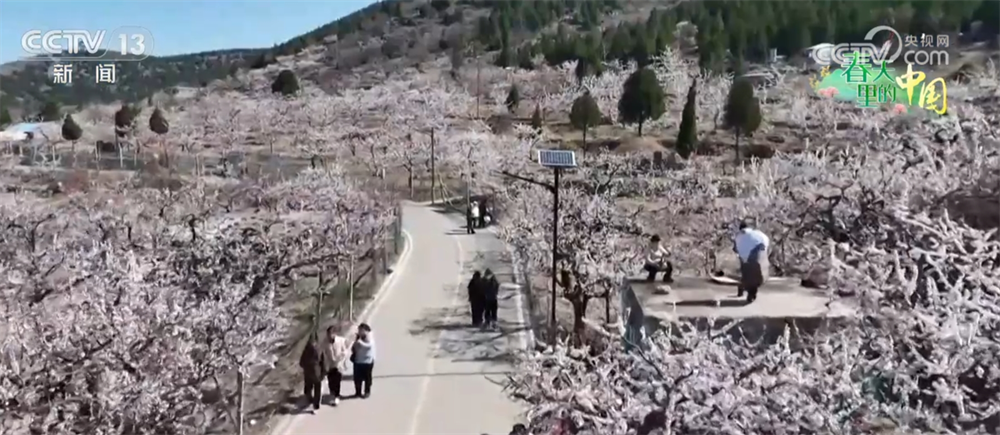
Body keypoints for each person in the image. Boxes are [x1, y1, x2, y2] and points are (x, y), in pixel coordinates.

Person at [733, 220, 770, 303]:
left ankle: (743, 288)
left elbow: (735, 249)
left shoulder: (738, 236)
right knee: (755, 276)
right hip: (757, 255)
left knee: (746, 274)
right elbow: (765, 242)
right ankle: (748, 291)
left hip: (745, 258)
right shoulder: (757, 234)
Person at [319, 323, 349, 406]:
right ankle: (332, 393)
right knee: (331, 381)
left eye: (331, 334)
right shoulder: (324, 342)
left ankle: (336, 396)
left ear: (335, 334)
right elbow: (323, 353)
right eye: (328, 334)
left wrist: (341, 357)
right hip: (329, 365)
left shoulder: (340, 340)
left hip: (339, 364)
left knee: (337, 381)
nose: (329, 336)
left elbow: (345, 351)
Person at [298, 334, 324, 414]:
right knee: (314, 388)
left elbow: (301, 362)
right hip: (314, 372)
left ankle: (312, 402)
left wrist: (305, 367)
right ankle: (314, 403)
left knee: (311, 387)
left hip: (311, 372)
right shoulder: (318, 349)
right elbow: (322, 361)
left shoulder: (308, 349)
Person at [350, 323, 376, 398]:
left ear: (366, 331)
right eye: (359, 330)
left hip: (367, 361)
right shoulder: (359, 338)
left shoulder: (370, 337)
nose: (359, 332)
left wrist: (359, 342)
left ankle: (367, 392)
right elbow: (353, 347)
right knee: (357, 378)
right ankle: (358, 392)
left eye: (361, 330)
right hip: (358, 361)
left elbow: (368, 346)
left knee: (367, 378)